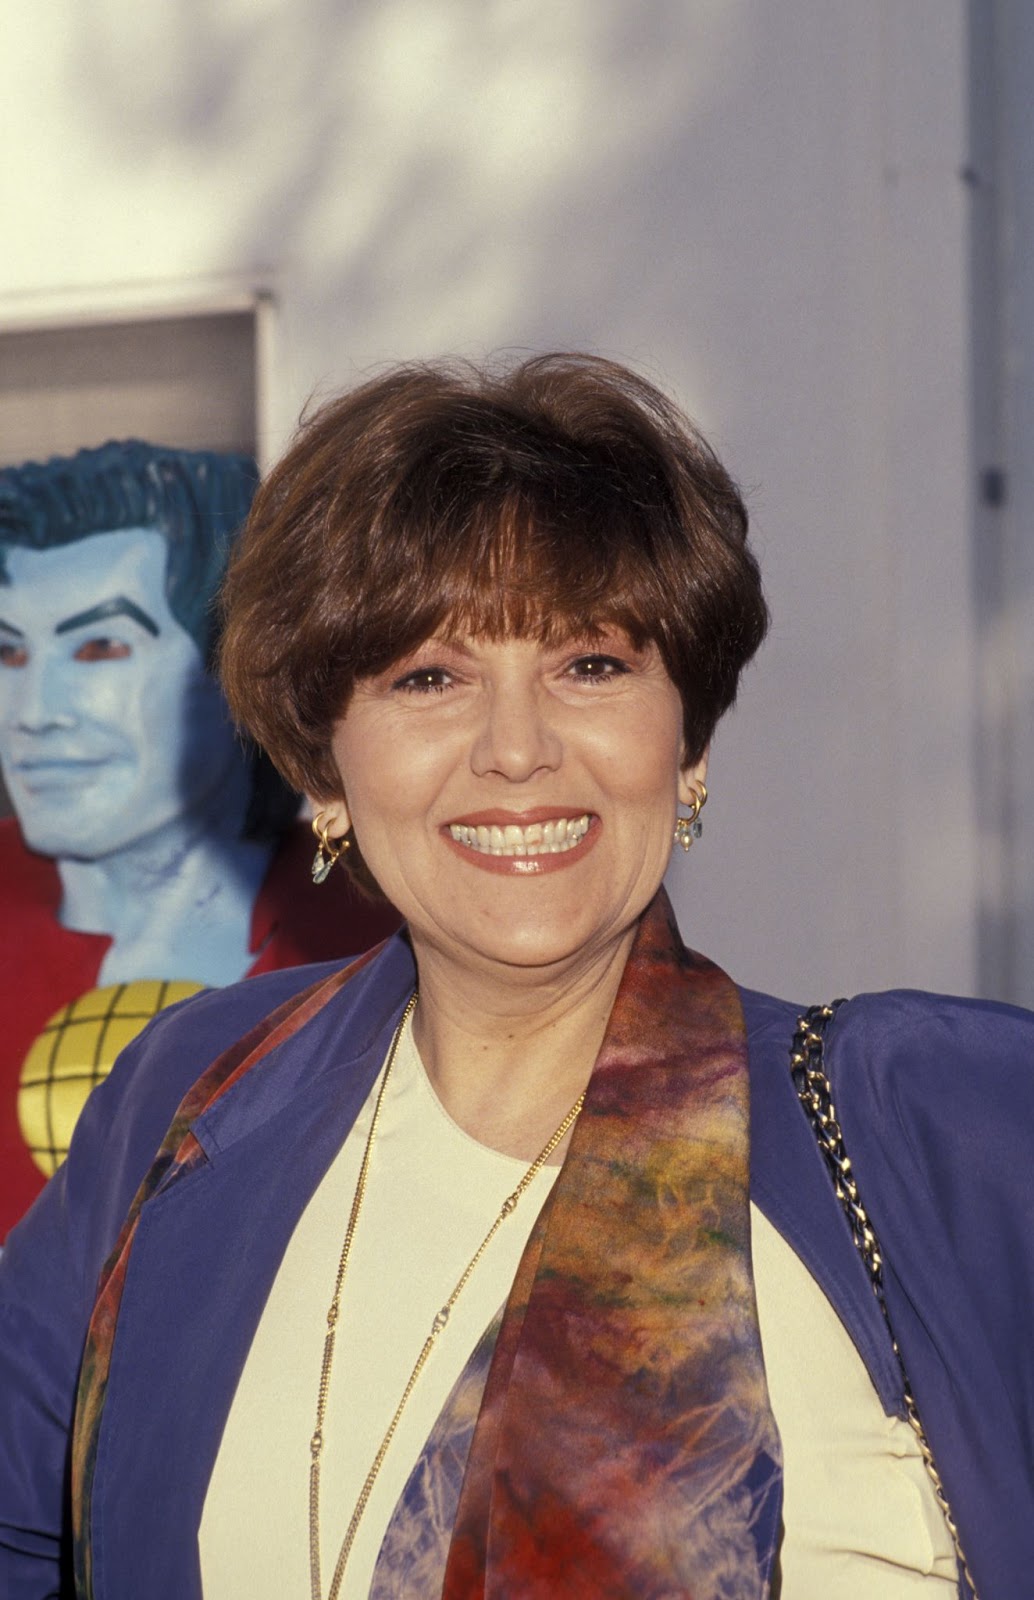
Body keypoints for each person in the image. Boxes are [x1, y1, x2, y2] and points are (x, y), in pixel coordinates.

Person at [0, 356, 1030, 1600]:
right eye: (426, 678)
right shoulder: (194, 1091)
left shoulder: (941, 1118)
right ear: (324, 772)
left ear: (687, 744)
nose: (516, 750)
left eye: (589, 664)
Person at [0, 442, 399, 1236]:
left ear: (244, 668)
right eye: (8, 650)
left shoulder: (391, 930)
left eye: (100, 647)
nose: (34, 709)